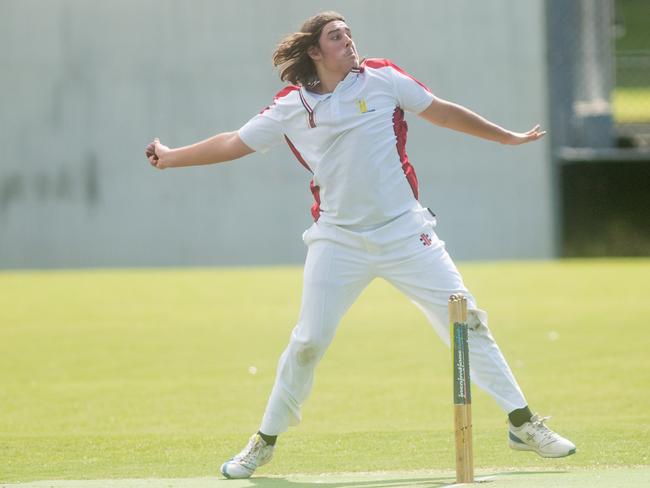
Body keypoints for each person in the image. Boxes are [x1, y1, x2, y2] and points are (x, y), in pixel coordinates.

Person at [145, 11, 576, 480]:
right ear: (314, 51)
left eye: (349, 33)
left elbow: (442, 111)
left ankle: (522, 424)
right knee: (308, 341)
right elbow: (233, 142)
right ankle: (264, 442)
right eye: (336, 36)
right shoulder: (293, 105)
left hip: (407, 233)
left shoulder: (383, 79)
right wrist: (170, 159)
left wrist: (505, 137)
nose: (349, 41)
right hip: (338, 240)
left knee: (465, 320)